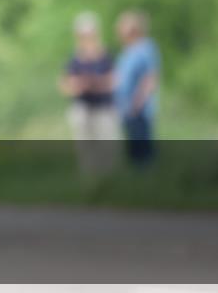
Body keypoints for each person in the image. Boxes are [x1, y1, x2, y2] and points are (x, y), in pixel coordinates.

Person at [58, 12, 119, 176]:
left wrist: (96, 83)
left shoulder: (105, 55)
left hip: (103, 107)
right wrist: (80, 85)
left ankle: (108, 178)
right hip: (83, 108)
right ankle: (90, 178)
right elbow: (65, 84)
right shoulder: (75, 58)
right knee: (85, 145)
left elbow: (115, 80)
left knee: (106, 144)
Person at [114, 10, 160, 167]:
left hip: (138, 109)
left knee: (143, 153)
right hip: (126, 109)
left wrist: (137, 104)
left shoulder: (145, 48)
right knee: (133, 152)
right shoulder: (126, 51)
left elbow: (150, 79)